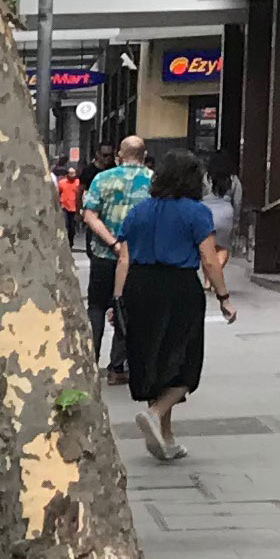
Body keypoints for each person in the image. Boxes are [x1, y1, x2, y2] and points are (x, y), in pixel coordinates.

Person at [115, 145, 235, 462]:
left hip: (139, 285)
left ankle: (166, 438)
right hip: (178, 287)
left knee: (153, 357)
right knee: (185, 362)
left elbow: (123, 258)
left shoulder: (138, 211)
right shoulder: (196, 212)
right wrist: (224, 298)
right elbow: (209, 260)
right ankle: (156, 414)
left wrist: (118, 298)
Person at [80, 133, 153, 383]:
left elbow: (89, 215)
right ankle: (116, 368)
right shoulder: (154, 182)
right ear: (144, 156)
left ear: (120, 156)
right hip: (137, 258)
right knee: (126, 308)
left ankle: (90, 362)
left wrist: (112, 242)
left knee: (97, 308)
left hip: (103, 254)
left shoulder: (102, 179)